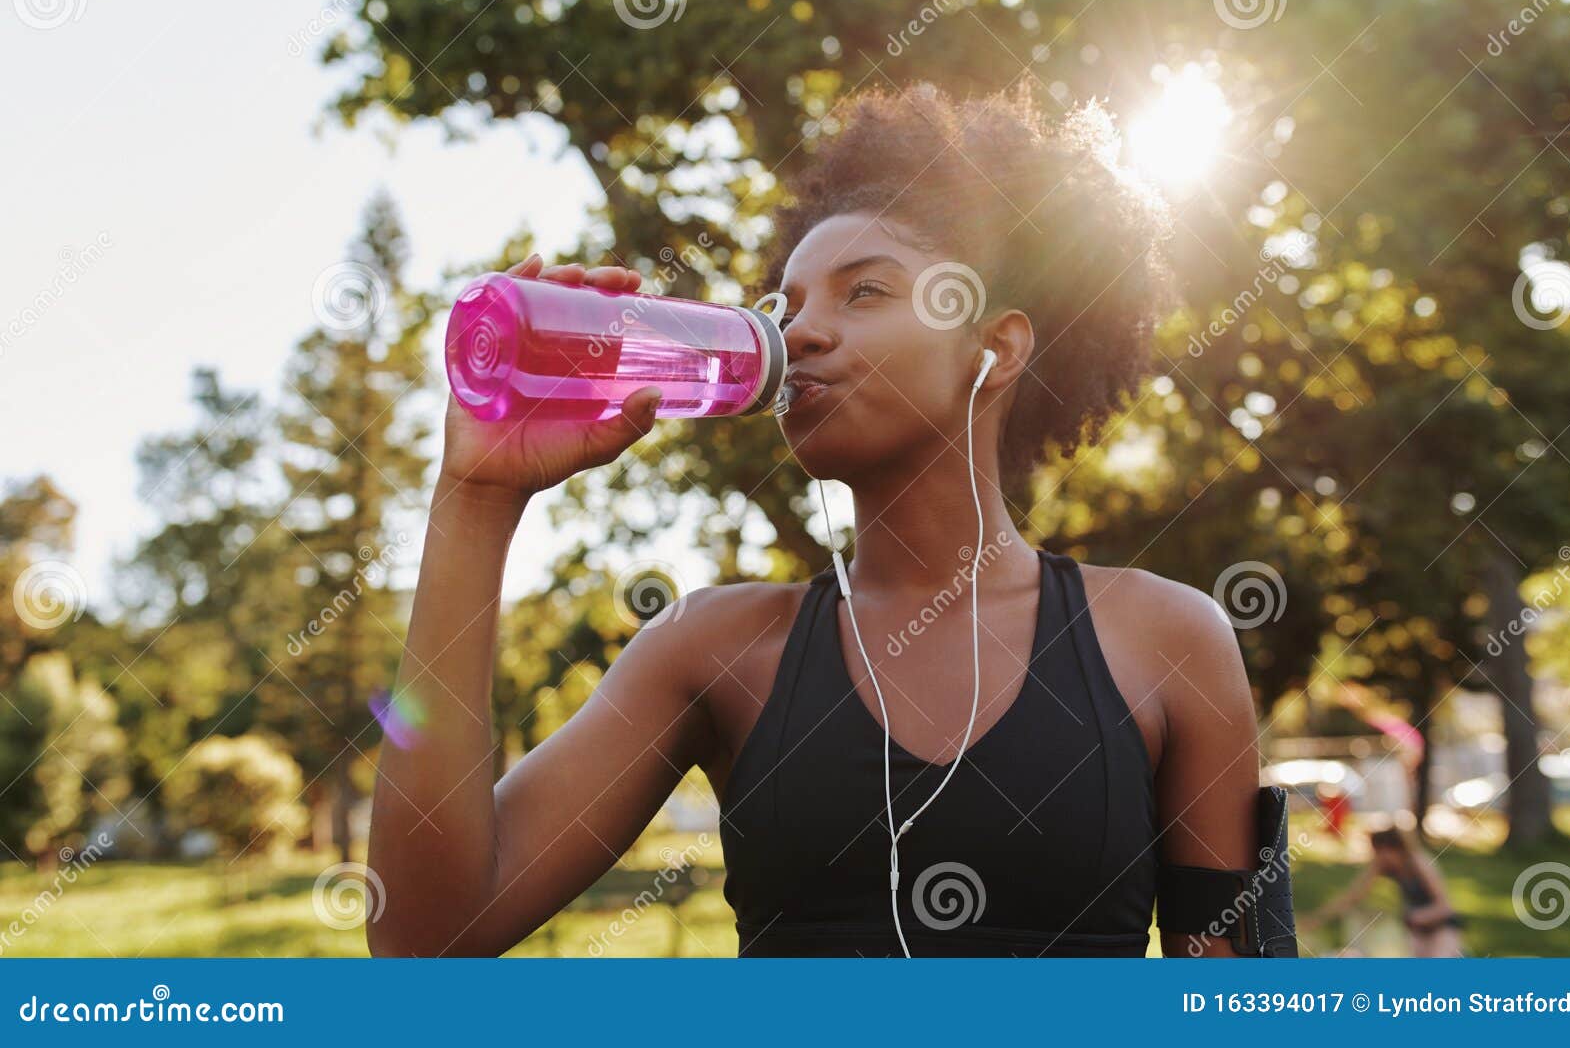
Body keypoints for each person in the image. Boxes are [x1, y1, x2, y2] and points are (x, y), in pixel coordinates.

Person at [367, 84, 1271, 957]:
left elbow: (1228, 997)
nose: (798, 332)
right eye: (785, 305)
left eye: (864, 291)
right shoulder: (712, 647)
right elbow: (423, 937)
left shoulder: (1164, 639)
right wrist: (476, 501)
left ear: (993, 348)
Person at [1303, 825, 1464, 956]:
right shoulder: (1383, 865)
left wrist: (1417, 917)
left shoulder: (1419, 862)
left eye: (1380, 852)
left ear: (1393, 848)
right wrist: (1318, 919)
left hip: (1441, 924)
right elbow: (1352, 896)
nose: (1377, 858)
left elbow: (1444, 907)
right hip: (1414, 928)